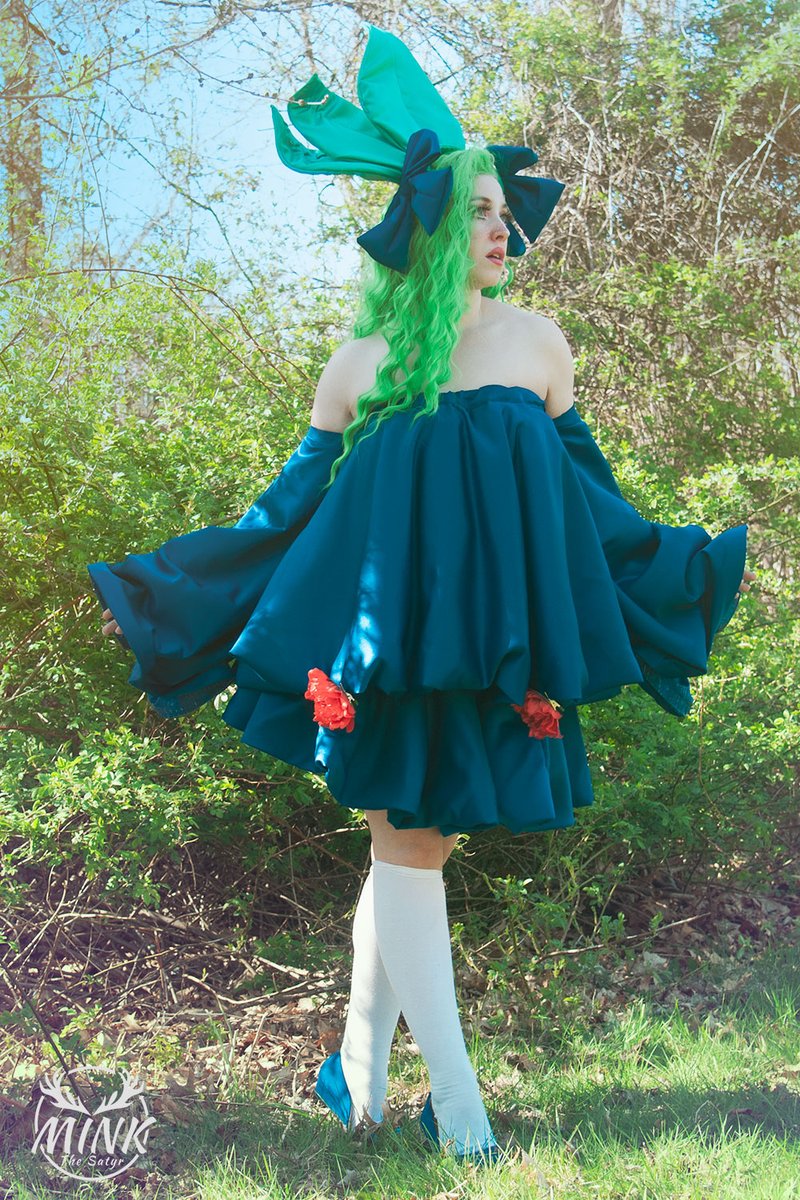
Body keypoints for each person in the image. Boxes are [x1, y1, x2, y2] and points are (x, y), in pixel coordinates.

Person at [90, 25, 755, 1163]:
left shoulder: (538, 348)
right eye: (481, 210)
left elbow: (586, 503)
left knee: (413, 851)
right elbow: (287, 517)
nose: (503, 228)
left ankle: (356, 1078)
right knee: (409, 849)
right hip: (383, 653)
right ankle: (458, 1105)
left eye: (505, 211)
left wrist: (666, 574)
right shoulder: (360, 368)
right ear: (433, 226)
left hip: (493, 644)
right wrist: (179, 591)